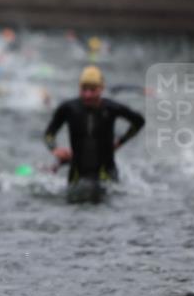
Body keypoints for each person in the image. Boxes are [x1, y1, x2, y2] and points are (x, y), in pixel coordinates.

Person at [43, 65, 145, 203]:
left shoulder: (111, 108)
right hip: (77, 173)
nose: (87, 95)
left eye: (92, 90)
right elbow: (49, 133)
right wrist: (54, 148)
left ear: (101, 89)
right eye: (84, 90)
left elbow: (139, 121)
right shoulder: (68, 108)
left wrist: (120, 142)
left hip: (106, 172)